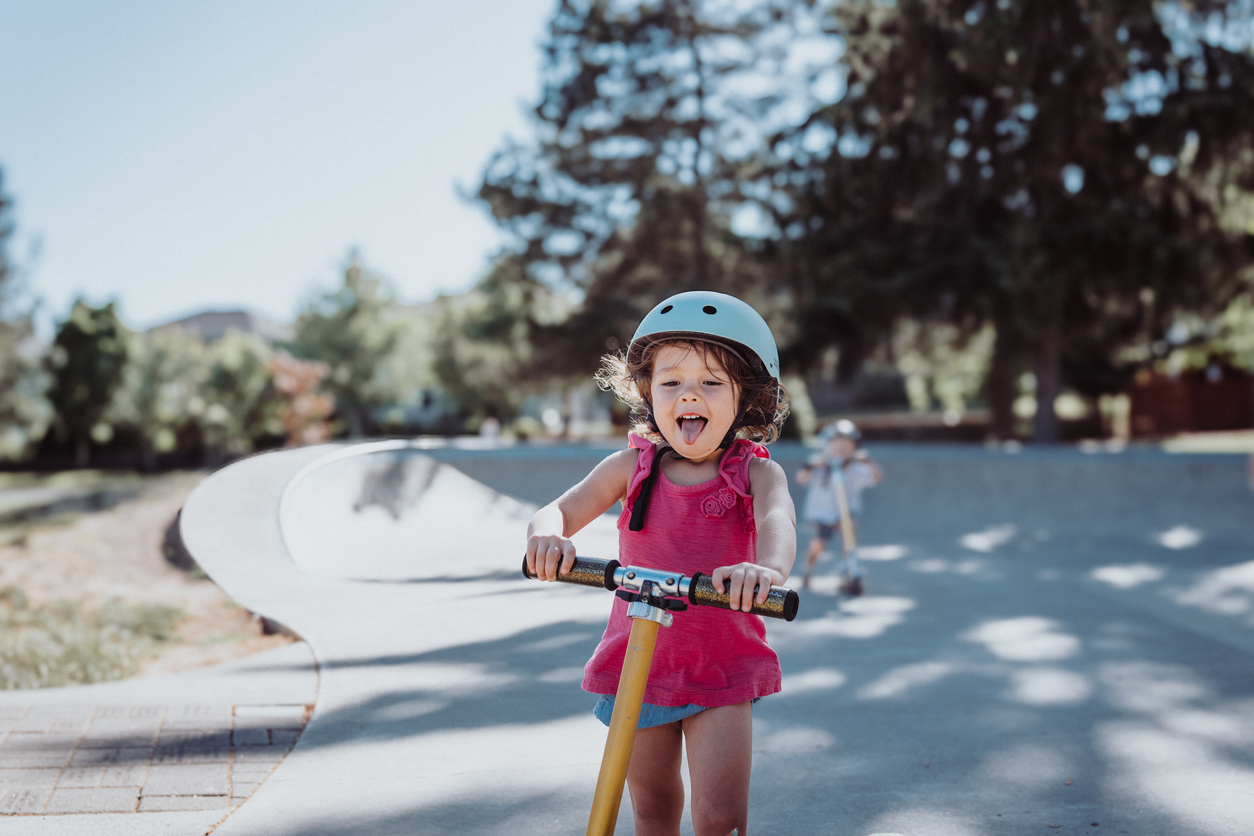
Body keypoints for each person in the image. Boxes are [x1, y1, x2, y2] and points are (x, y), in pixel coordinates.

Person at [524, 290, 796, 836]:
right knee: (651, 808)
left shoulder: (755, 474)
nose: (689, 394)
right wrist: (547, 537)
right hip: (638, 665)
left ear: (747, 398)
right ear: (648, 392)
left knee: (720, 816)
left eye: (711, 382)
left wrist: (765, 571)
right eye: (671, 382)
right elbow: (557, 510)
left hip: (721, 666)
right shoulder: (630, 467)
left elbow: (778, 521)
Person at [796, 419, 881, 594]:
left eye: (847, 447)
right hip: (822, 515)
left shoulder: (856, 469)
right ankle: (807, 569)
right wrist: (810, 466)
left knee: (849, 535)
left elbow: (874, 479)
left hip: (845, 514)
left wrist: (868, 463)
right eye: (837, 446)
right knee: (818, 544)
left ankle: (846, 569)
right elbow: (801, 479)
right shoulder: (820, 468)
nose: (841, 451)